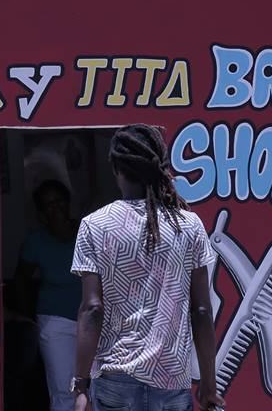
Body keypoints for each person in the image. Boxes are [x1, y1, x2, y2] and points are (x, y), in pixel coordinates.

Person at [70, 124, 225, 411]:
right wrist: (208, 382)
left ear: (116, 169)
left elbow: (92, 309)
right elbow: (202, 311)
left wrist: (80, 384)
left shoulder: (95, 226)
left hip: (116, 380)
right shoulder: (188, 226)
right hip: (171, 381)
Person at [13, 180, 83, 411]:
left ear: (69, 202)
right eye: (49, 205)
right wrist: (28, 318)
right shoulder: (36, 241)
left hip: (93, 320)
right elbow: (20, 280)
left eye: (59, 201)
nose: (56, 208)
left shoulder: (88, 231)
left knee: (97, 388)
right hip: (55, 322)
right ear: (41, 213)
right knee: (64, 388)